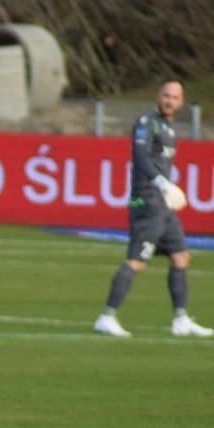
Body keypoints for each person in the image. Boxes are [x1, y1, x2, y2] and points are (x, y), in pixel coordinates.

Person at [94, 78, 213, 338]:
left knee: (181, 256)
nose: (169, 101)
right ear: (158, 96)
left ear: (181, 102)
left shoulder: (169, 129)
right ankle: (106, 317)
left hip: (163, 204)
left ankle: (180, 320)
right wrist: (161, 182)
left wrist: (166, 188)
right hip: (148, 200)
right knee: (137, 261)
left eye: (175, 97)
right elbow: (140, 155)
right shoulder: (147, 122)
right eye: (166, 95)